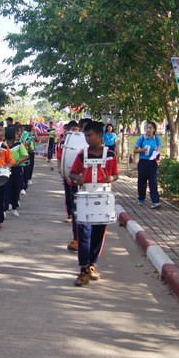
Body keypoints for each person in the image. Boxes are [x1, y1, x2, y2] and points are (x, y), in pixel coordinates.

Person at [69, 120, 119, 286]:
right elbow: (72, 173)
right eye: (86, 136)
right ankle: (83, 269)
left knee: (98, 232)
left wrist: (111, 177)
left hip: (102, 197)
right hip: (85, 197)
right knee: (84, 233)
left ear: (99, 135)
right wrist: (77, 178)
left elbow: (116, 174)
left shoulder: (110, 154)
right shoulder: (81, 155)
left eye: (90, 135)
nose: (87, 139)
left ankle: (92, 264)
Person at [56, 120, 82, 251]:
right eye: (73, 129)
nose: (75, 132)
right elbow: (61, 156)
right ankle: (70, 215)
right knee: (70, 197)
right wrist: (62, 171)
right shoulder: (64, 141)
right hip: (70, 174)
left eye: (77, 129)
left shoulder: (83, 143)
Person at [134, 121, 162, 208]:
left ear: (154, 129)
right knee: (142, 182)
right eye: (147, 128)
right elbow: (134, 150)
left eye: (150, 128)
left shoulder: (156, 138)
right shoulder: (142, 138)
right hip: (143, 162)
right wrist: (142, 150)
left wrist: (157, 151)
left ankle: (155, 201)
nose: (148, 130)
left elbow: (159, 148)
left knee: (153, 182)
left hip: (153, 162)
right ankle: (141, 198)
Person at [4, 125, 29, 216]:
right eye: (15, 133)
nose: (18, 134)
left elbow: (26, 155)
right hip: (5, 169)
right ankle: (4, 209)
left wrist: (17, 162)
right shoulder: (3, 144)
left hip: (16, 169)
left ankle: (14, 207)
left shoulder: (18, 144)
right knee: (6, 189)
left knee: (15, 188)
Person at [20, 124, 35, 190]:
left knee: (27, 169)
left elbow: (31, 150)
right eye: (21, 130)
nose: (22, 132)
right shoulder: (18, 139)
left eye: (23, 130)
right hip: (20, 155)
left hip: (27, 154)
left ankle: (26, 183)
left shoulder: (29, 138)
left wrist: (28, 145)